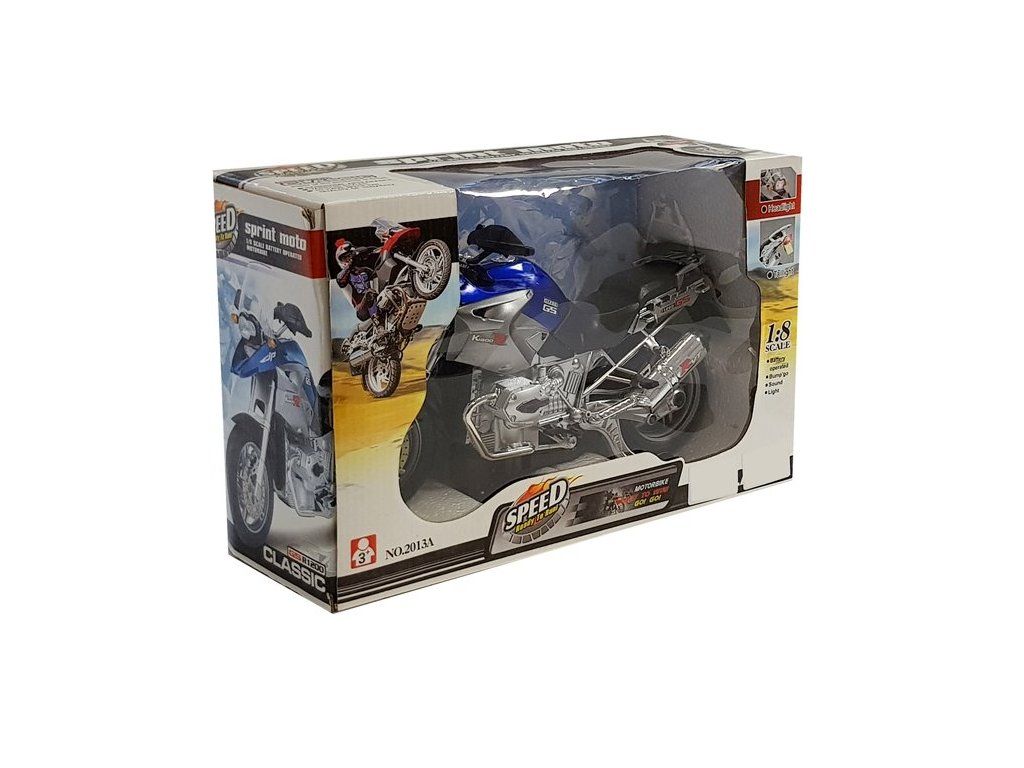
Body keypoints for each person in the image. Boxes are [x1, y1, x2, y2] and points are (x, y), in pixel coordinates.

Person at [334, 237, 380, 330]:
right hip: (361, 310)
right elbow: (340, 280)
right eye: (345, 257)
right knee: (369, 293)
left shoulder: (366, 270)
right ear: (340, 261)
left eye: (350, 256)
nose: (349, 259)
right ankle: (377, 323)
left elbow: (377, 279)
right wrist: (351, 264)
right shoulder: (342, 277)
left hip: (375, 301)